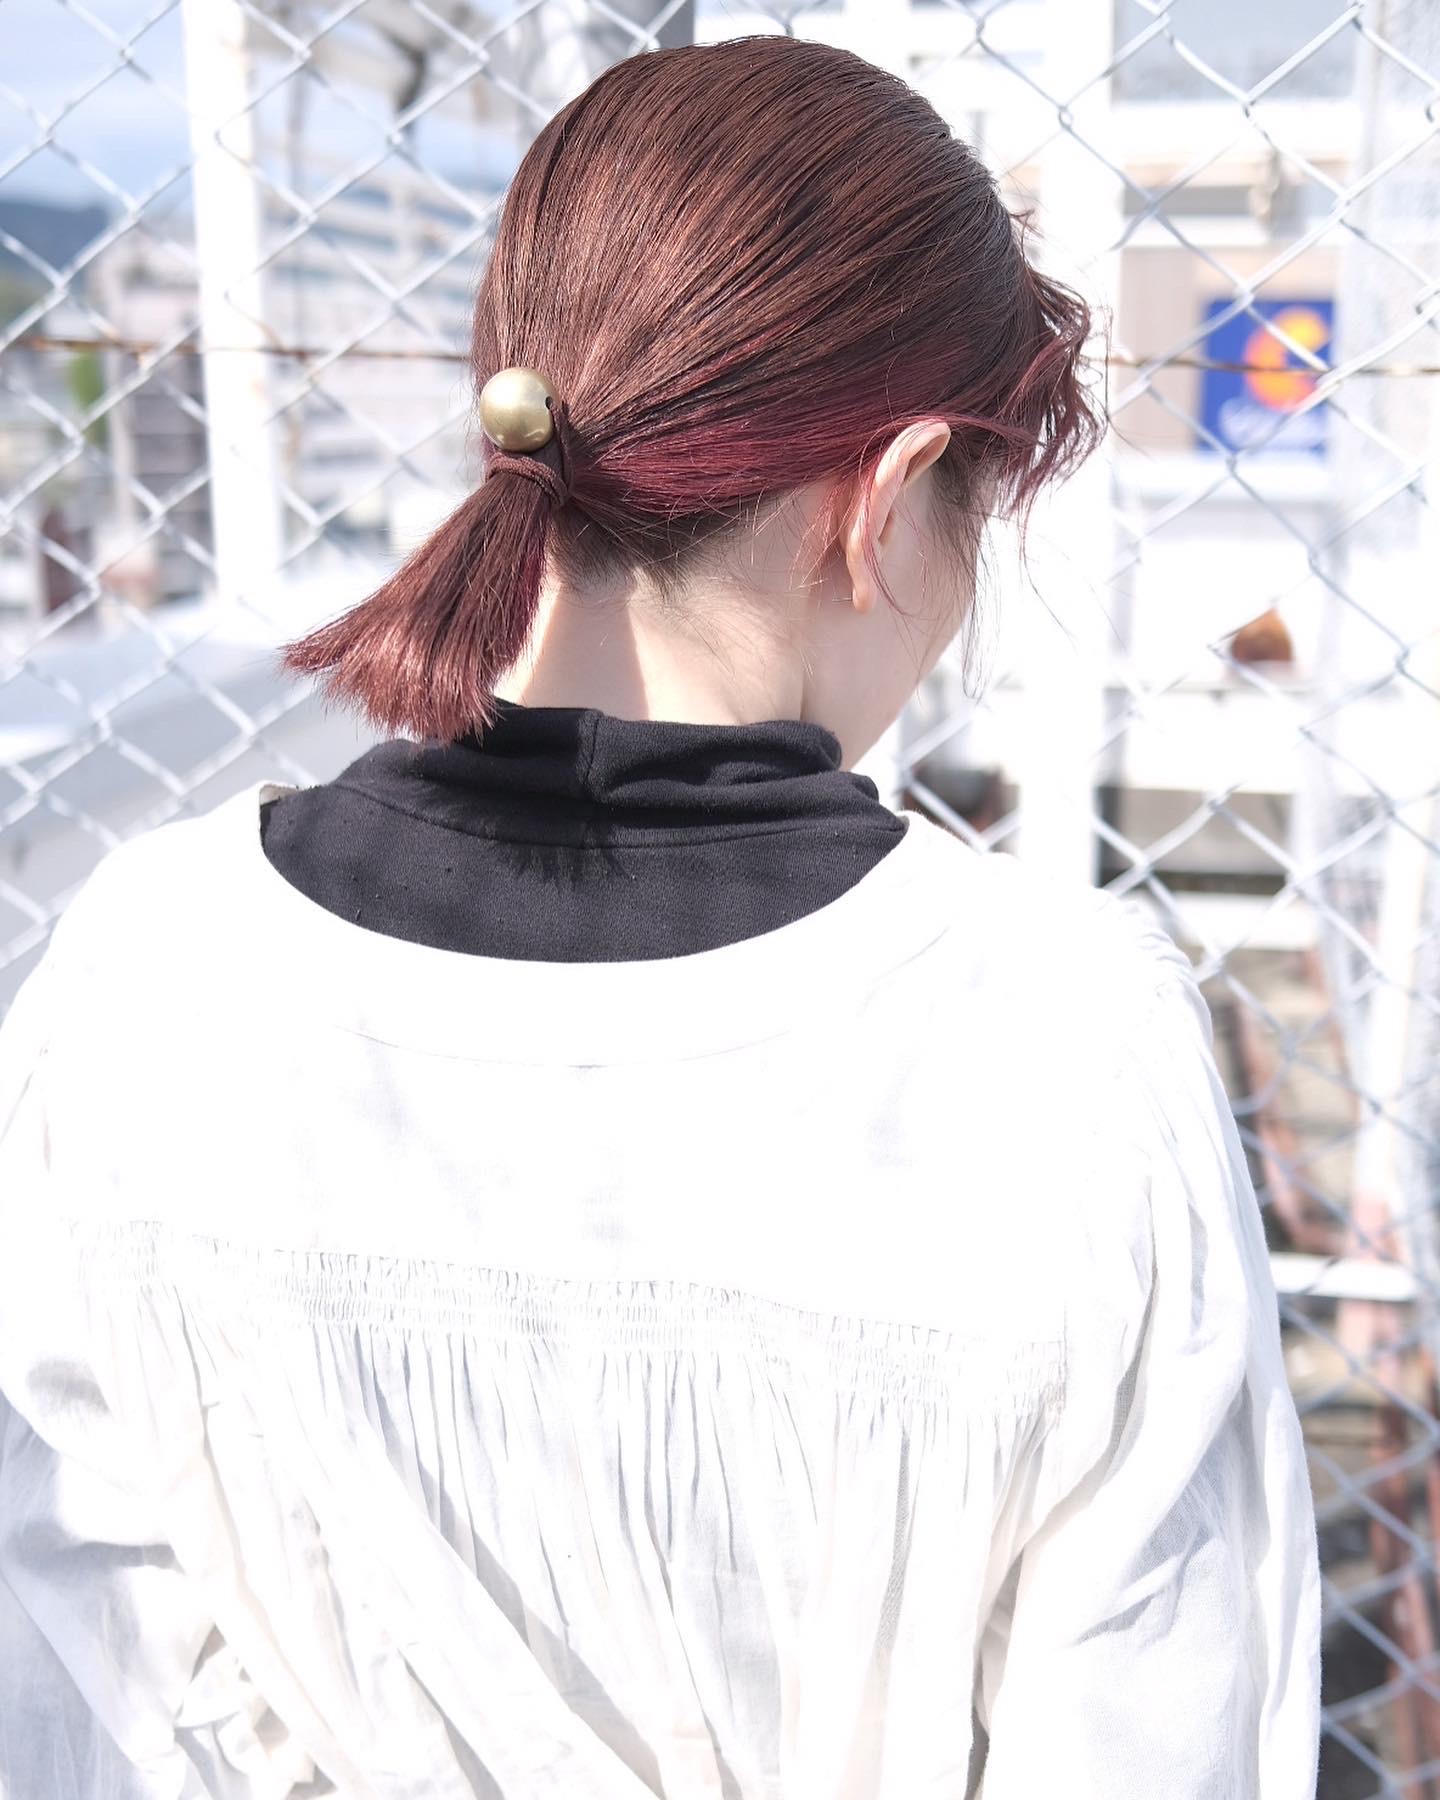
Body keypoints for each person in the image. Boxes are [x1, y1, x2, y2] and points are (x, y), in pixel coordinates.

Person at [0, 33, 1321, 1800]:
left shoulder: (148, 971)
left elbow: (76, 1701)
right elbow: (1161, 1740)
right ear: (888, 494)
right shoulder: (1059, 1045)